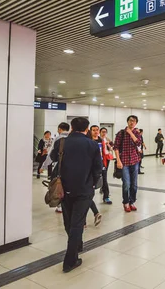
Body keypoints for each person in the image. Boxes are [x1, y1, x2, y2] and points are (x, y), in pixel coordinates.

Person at [50, 117, 102, 273]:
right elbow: (98, 168)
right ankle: (70, 260)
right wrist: (93, 181)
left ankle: (77, 244)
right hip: (84, 189)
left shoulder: (62, 142)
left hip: (64, 189)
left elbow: (53, 158)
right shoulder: (92, 144)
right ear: (86, 129)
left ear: (71, 128)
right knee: (77, 223)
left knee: (68, 220)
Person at [114, 115, 143, 213]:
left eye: (134, 121)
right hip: (124, 162)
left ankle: (132, 202)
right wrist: (118, 160)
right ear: (127, 122)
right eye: (130, 121)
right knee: (126, 184)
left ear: (136, 123)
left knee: (134, 184)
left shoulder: (137, 133)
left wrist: (131, 133)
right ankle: (126, 202)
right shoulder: (120, 133)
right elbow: (116, 147)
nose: (132, 123)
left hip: (135, 161)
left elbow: (138, 144)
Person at [40, 122, 70, 213]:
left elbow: (51, 154)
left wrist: (44, 166)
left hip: (60, 166)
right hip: (72, 167)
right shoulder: (72, 138)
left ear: (60, 129)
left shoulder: (58, 139)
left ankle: (60, 205)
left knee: (58, 185)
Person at [86, 125, 104, 226]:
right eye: (94, 130)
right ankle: (95, 213)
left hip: (96, 169)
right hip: (89, 169)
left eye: (97, 130)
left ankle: (95, 214)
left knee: (87, 196)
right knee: (87, 196)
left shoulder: (100, 140)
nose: (96, 132)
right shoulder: (88, 141)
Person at [99, 127, 113, 204]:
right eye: (102, 132)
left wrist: (108, 145)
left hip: (106, 159)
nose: (104, 133)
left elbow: (111, 149)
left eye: (105, 132)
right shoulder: (97, 140)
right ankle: (102, 188)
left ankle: (106, 196)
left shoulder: (106, 139)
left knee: (104, 177)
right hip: (99, 160)